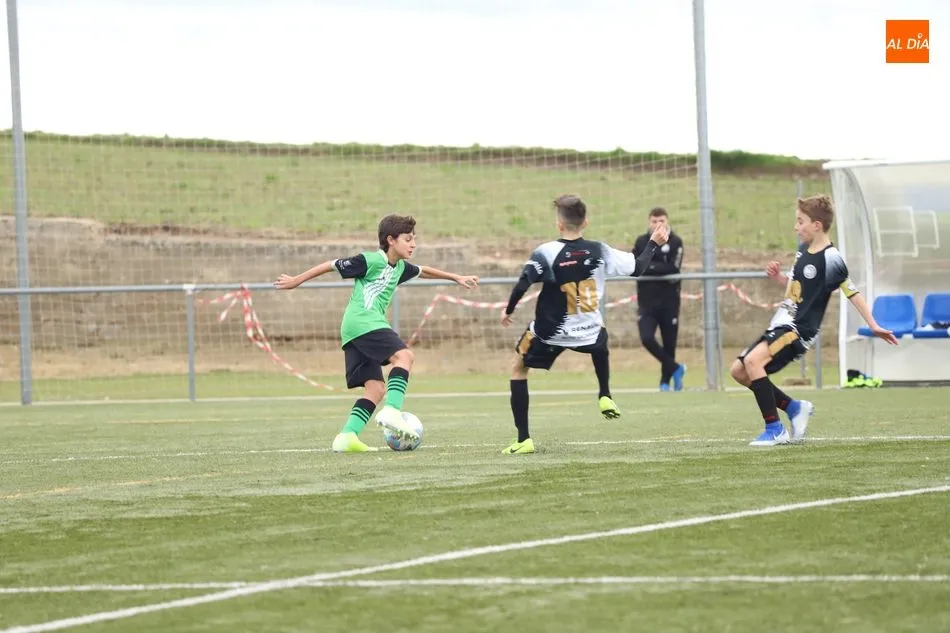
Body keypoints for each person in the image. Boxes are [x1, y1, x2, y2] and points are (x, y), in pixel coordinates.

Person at [274, 214, 479, 453]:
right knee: (405, 357)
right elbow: (331, 264)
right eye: (408, 239)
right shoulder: (370, 260)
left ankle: (347, 437)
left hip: (355, 330)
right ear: (391, 240)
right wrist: (296, 281)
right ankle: (392, 411)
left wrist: (455, 277)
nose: (413, 244)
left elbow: (424, 271)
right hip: (364, 322)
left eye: (414, 239)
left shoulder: (400, 267)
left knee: (376, 389)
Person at [499, 194, 669, 455]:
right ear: (585, 222)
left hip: (549, 332)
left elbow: (523, 284)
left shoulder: (546, 252)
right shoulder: (600, 250)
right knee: (600, 337)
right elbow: (638, 267)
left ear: (559, 224)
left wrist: (509, 309)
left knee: (518, 368)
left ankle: (523, 439)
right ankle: (605, 394)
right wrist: (653, 243)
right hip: (588, 333)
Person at [729, 194, 898, 447]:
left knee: (754, 362)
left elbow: (852, 292)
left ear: (816, 225)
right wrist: (779, 278)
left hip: (798, 329)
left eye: (800, 221)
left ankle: (774, 429)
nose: (796, 227)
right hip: (781, 323)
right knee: (739, 371)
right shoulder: (802, 251)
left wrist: (873, 325)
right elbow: (797, 287)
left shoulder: (831, 258)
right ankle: (794, 408)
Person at [632, 207, 686, 391]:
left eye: (661, 221)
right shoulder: (641, 242)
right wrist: (655, 267)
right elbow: (637, 266)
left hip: (669, 302)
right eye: (654, 221)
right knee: (647, 338)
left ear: (667, 221)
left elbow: (673, 268)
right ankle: (676, 368)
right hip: (647, 302)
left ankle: (665, 383)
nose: (658, 224)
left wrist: (649, 266)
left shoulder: (676, 241)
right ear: (649, 222)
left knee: (669, 343)